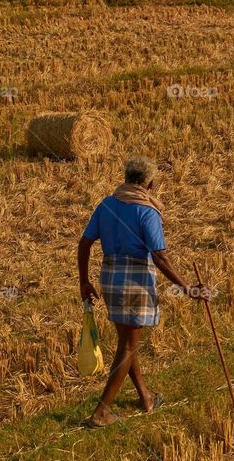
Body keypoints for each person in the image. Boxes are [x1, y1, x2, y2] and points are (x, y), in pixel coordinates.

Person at [77, 156, 209, 427]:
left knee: (128, 342)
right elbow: (159, 257)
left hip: (109, 277)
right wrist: (187, 289)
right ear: (151, 183)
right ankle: (102, 411)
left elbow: (85, 243)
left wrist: (84, 281)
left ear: (126, 178)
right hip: (135, 280)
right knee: (128, 345)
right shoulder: (147, 211)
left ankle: (146, 396)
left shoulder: (107, 205)